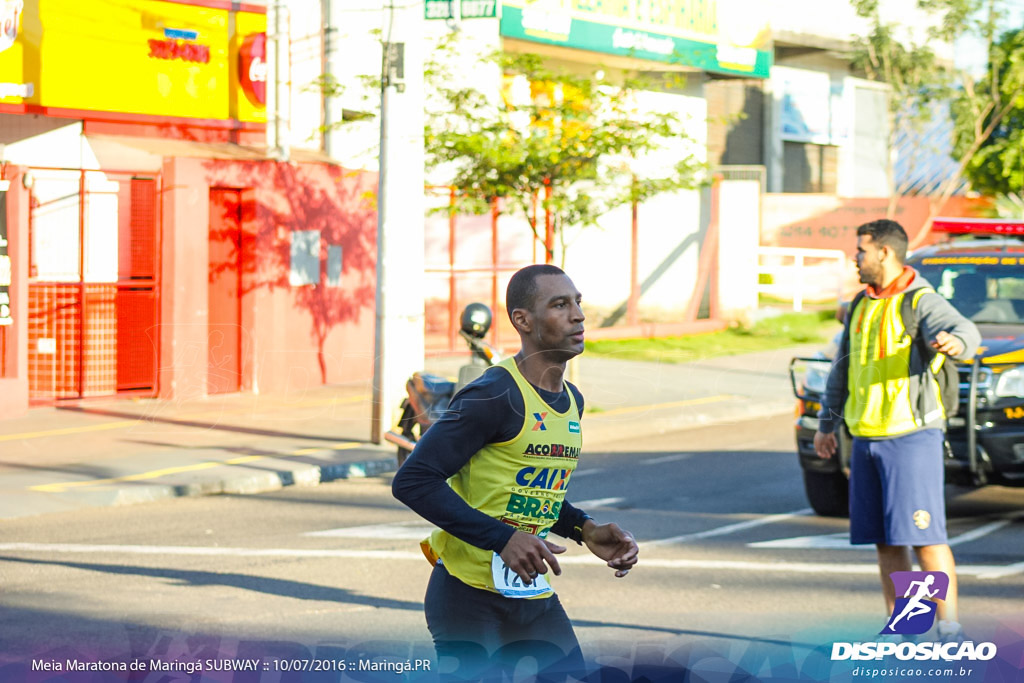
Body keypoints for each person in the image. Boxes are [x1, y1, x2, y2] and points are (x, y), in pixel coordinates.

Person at [392, 264, 639, 681]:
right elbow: (413, 481)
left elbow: (529, 490)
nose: (578, 315)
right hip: (466, 598)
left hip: (530, 594)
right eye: (560, 305)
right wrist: (502, 538)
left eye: (578, 302)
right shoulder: (494, 394)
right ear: (522, 320)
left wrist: (584, 528)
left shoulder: (571, 401)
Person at [814, 219, 980, 643]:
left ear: (884, 253)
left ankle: (948, 626)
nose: (855, 258)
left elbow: (967, 331)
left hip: (911, 437)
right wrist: (827, 423)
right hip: (866, 438)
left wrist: (955, 343)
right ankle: (904, 627)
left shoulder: (920, 300)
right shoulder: (861, 304)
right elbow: (842, 369)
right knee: (886, 541)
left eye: (861, 251)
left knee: (924, 537)